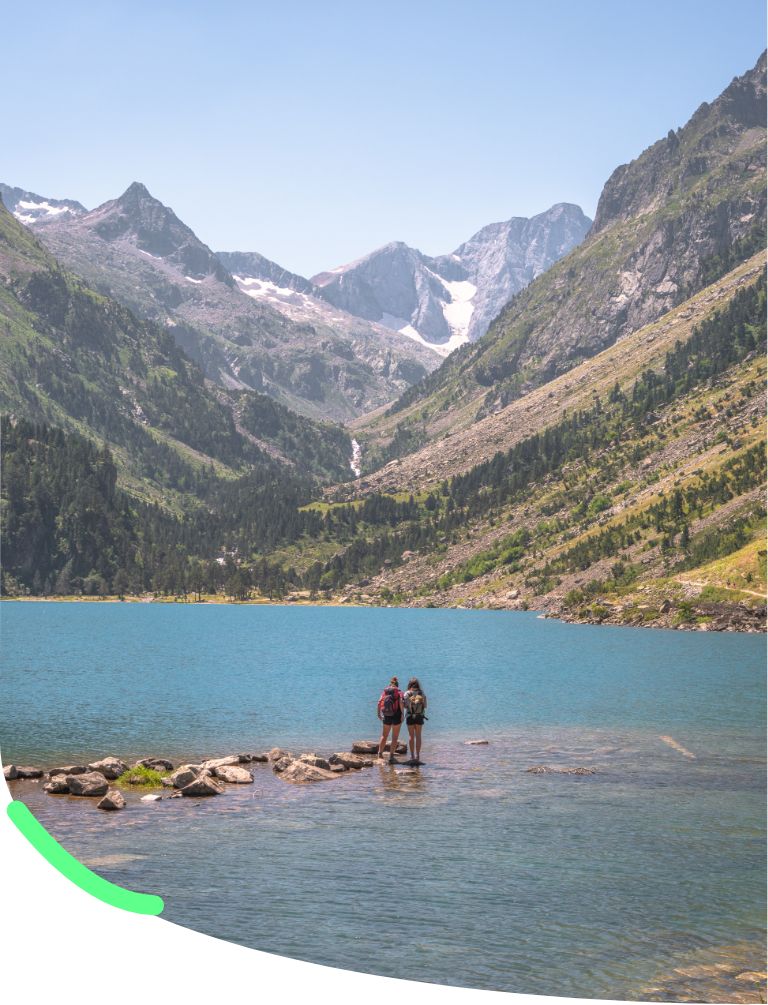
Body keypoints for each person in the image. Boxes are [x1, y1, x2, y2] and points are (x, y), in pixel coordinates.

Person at [377, 676, 404, 763]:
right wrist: (402, 714)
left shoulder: (385, 692)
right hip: (396, 715)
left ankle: (380, 754)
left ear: (390, 685)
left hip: (386, 715)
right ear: (397, 686)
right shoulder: (399, 692)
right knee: (395, 737)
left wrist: (378, 714)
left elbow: (379, 702)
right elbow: (401, 703)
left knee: (384, 735)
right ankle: (391, 756)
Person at [404, 677, 427, 765]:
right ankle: (418, 755)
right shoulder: (421, 693)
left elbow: (405, 706)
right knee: (418, 736)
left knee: (411, 736)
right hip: (419, 716)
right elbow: (425, 706)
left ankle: (412, 755)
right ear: (418, 684)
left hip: (410, 716)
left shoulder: (407, 693)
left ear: (409, 684)